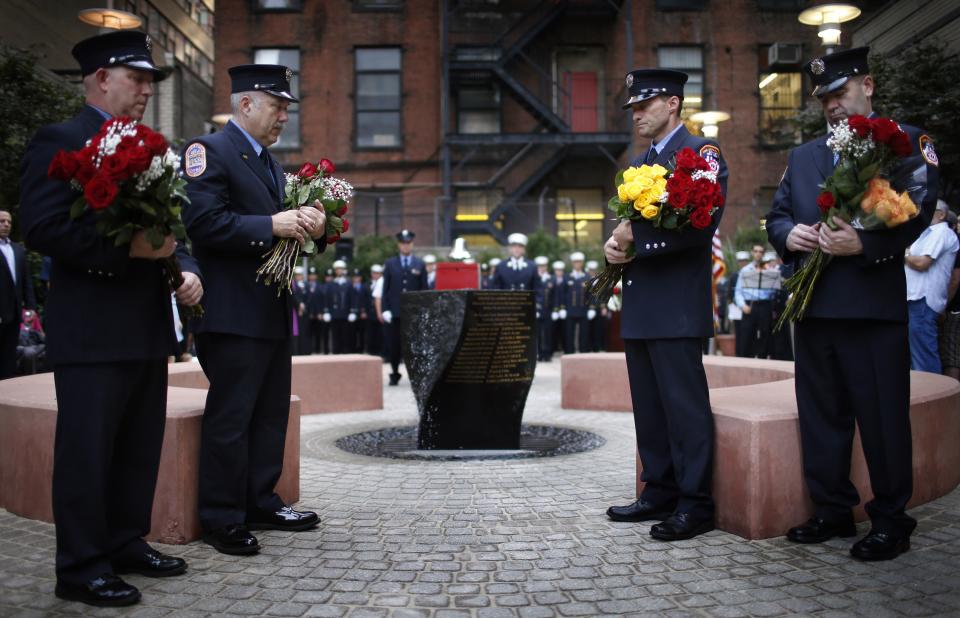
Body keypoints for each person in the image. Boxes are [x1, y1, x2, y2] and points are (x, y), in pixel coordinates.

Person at [19, 31, 203, 606]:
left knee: (137, 446)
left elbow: (175, 224)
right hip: (93, 326)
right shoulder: (62, 138)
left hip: (144, 325)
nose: (148, 89)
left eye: (151, 81)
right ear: (102, 77)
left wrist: (185, 266)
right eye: (139, 78)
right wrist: (125, 251)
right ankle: (81, 565)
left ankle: (125, 541)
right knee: (88, 451)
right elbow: (43, 227)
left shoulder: (150, 145)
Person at [765, 47, 939, 561]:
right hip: (815, 309)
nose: (833, 106)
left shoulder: (905, 141)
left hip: (870, 308)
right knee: (822, 416)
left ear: (868, 85)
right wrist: (788, 234)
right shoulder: (805, 156)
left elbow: (916, 209)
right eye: (824, 98)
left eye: (840, 93)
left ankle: (890, 519)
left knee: (883, 419)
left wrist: (864, 244)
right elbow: (775, 215)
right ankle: (832, 510)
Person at [181, 63, 326, 556]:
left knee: (269, 414)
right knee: (233, 415)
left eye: (286, 107)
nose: (284, 115)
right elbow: (204, 223)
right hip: (230, 310)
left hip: (267, 309)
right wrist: (273, 224)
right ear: (245, 104)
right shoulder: (208, 150)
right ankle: (222, 516)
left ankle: (260, 499)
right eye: (277, 105)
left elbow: (284, 228)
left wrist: (314, 224)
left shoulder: (269, 162)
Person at [605, 68, 727, 541]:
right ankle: (659, 489)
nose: (636, 115)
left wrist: (638, 238)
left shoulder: (700, 153)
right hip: (642, 302)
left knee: (684, 408)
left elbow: (702, 223)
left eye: (644, 106)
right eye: (633, 108)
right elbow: (629, 227)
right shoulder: (640, 163)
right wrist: (614, 247)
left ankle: (695, 502)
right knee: (650, 408)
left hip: (676, 303)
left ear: (672, 104)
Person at [904, 200, 958, 373]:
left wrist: (903, 253)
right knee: (916, 356)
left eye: (929, 209)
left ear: (941, 215)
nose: (922, 212)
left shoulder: (941, 232)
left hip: (922, 300)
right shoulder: (927, 232)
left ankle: (932, 398)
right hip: (915, 299)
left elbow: (921, 262)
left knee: (923, 359)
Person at [381, 229, 428, 385]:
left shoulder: (419, 264)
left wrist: (423, 310)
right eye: (403, 243)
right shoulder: (390, 263)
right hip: (394, 311)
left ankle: (416, 374)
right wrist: (385, 308)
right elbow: (385, 289)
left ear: (412, 244)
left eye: (408, 243)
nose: (405, 246)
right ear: (399, 245)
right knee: (394, 345)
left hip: (413, 312)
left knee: (414, 345)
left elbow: (424, 290)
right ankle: (394, 372)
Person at [0, 209, 35, 378]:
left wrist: (30, 306)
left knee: (9, 354)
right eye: (2, 221)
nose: (6, 224)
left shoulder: (18, 249)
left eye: (9, 222)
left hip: (13, 312)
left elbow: (26, 279)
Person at [733, 244, 776, 358]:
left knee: (765, 334)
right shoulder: (744, 270)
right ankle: (746, 361)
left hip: (765, 305)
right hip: (749, 304)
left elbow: (774, 291)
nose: (758, 253)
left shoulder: (769, 270)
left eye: (760, 252)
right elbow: (738, 291)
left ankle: (763, 360)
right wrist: (742, 305)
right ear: (752, 253)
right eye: (756, 251)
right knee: (747, 335)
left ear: (763, 254)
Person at [940, 210, 960, 380]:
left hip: (955, 310)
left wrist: (943, 306)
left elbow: (955, 278)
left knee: (952, 356)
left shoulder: (949, 238)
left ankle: (952, 400)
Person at [563, 252, 593, 353]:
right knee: (568, 333)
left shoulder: (587, 277)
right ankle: (569, 353)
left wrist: (591, 308)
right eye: (575, 262)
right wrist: (562, 308)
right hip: (570, 310)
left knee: (584, 333)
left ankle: (583, 353)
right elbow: (562, 293)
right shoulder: (566, 277)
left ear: (582, 263)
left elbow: (591, 294)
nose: (577, 264)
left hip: (583, 309)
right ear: (572, 263)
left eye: (579, 262)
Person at [326, 260, 352, 354]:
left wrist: (352, 311)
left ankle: (345, 354)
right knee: (335, 335)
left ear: (344, 270)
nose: (339, 271)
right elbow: (328, 298)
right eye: (337, 269)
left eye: (341, 269)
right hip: (334, 314)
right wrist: (327, 311)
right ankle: (336, 354)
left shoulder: (349, 283)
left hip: (346, 314)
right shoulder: (331, 284)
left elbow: (352, 298)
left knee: (346, 335)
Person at [535, 255, 554, 361]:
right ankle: (539, 354)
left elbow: (555, 295)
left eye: (543, 266)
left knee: (547, 333)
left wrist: (555, 309)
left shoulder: (551, 278)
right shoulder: (535, 279)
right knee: (537, 334)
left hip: (548, 311)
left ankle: (547, 354)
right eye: (540, 266)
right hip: (537, 311)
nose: (542, 268)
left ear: (546, 267)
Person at [550, 260, 567, 354]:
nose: (559, 272)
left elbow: (567, 295)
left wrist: (564, 308)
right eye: (557, 270)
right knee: (553, 330)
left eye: (560, 270)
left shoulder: (566, 280)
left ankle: (564, 348)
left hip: (564, 310)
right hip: (553, 310)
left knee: (564, 330)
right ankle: (553, 348)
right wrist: (553, 310)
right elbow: (550, 296)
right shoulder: (551, 280)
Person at [367, 264, 384, 356]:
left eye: (378, 273)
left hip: (381, 312)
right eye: (374, 273)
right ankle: (371, 352)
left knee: (380, 334)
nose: (376, 275)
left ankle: (380, 352)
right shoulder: (368, 284)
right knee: (371, 334)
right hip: (370, 313)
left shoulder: (383, 283)